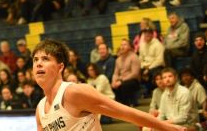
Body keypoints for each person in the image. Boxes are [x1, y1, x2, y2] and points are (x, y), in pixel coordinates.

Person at [32, 39, 185, 131]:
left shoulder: (73, 92)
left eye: (45, 59)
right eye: (35, 60)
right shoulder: (40, 109)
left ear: (60, 67)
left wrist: (166, 127)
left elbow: (124, 112)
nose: (38, 63)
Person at [111, 39, 141, 106]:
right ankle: (119, 106)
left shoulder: (134, 57)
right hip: (121, 80)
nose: (122, 46)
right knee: (113, 86)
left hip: (133, 80)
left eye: (125, 45)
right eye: (121, 45)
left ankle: (126, 105)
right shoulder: (118, 59)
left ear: (129, 47)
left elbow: (135, 74)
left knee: (124, 86)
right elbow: (115, 73)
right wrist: (114, 81)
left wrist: (121, 81)